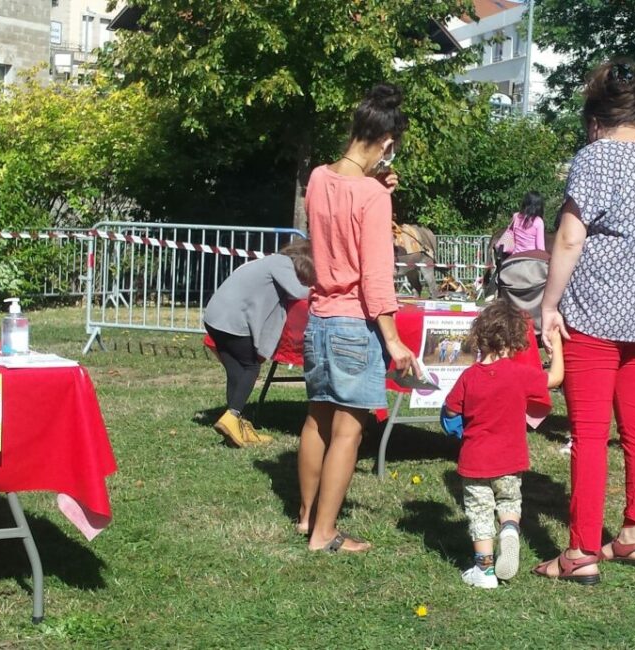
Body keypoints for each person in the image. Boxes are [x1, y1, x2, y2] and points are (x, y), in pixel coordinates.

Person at [535, 59, 635, 585]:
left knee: (588, 434)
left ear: (594, 116)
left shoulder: (595, 158)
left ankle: (580, 551)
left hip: (595, 316)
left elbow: (569, 237)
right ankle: (633, 534)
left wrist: (549, 304)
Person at [297, 84, 417, 552]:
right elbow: (376, 275)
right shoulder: (373, 195)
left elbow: (335, 218)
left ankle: (307, 518)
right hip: (354, 323)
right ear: (387, 142)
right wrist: (393, 340)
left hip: (319, 318)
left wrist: (376, 186)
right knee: (350, 430)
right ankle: (325, 534)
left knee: (316, 422)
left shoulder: (318, 178)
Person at [441, 301, 564, 588]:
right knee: (509, 501)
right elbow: (556, 378)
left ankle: (484, 571)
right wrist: (556, 345)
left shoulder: (468, 377)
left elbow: (449, 411)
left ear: (479, 337)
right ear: (513, 342)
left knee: (480, 511)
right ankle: (509, 529)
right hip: (510, 458)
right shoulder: (518, 375)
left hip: (475, 461)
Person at [203, 239, 314, 447]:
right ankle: (232, 416)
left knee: (236, 372)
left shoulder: (266, 262)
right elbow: (299, 292)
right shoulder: (281, 263)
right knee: (251, 366)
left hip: (214, 319)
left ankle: (237, 426)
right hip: (231, 322)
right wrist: (326, 290)